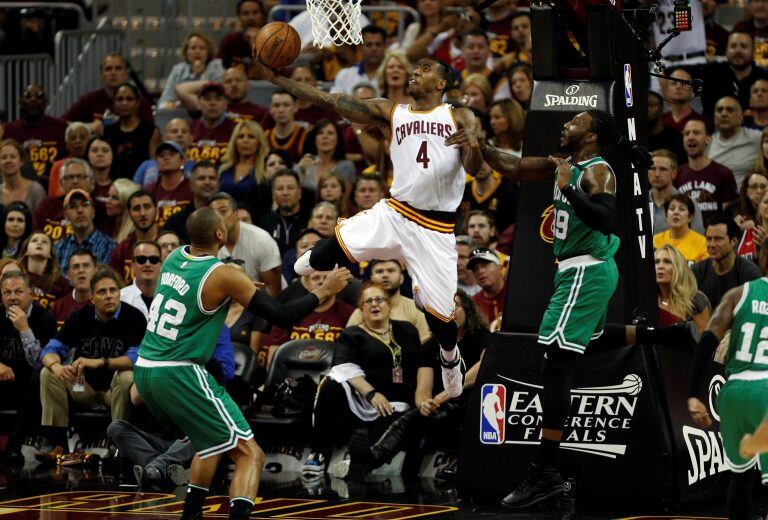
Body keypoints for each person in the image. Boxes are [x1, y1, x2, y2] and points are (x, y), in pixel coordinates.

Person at [457, 109, 647, 507]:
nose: (564, 126)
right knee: (583, 343)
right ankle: (668, 337)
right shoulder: (562, 163)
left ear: (591, 136)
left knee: (556, 365)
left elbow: (607, 219)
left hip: (586, 269)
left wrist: (571, 189)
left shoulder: (598, 170)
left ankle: (546, 471)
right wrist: (479, 143)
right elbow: (514, 165)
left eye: (574, 122)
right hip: (576, 270)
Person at [264, 56, 482, 398]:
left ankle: (450, 358)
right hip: (394, 213)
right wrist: (279, 80)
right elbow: (332, 100)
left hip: (435, 228)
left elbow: (474, 166)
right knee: (321, 253)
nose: (415, 71)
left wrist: (472, 142)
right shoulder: (390, 111)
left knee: (442, 320)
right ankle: (315, 260)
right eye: (416, 67)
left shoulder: (458, 115)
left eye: (425, 68)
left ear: (441, 83)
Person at [132, 206, 351, 520]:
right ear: (220, 234)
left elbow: (199, 289)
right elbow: (284, 316)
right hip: (180, 372)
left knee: (209, 444)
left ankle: (190, 516)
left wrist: (240, 288)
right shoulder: (224, 275)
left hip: (147, 369)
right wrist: (324, 289)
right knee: (251, 454)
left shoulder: (173, 258)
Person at [329, 290, 490, 480]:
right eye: (444, 308)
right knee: (412, 418)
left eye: (454, 306)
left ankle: (461, 462)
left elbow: (485, 365)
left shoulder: (481, 336)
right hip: (441, 407)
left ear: (468, 310)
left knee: (463, 407)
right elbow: (423, 388)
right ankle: (369, 460)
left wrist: (446, 393)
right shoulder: (431, 345)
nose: (450, 312)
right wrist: (424, 403)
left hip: (473, 404)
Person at [302, 281, 422, 475]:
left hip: (399, 401)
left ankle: (356, 460)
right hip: (364, 401)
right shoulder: (352, 334)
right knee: (331, 384)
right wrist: (372, 395)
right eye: (368, 301)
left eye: (379, 299)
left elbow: (420, 363)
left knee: (394, 417)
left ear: (388, 304)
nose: (374, 304)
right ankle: (319, 453)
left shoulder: (407, 330)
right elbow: (343, 367)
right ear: (361, 309)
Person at [685, 248, 768, 520]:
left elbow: (708, 339)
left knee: (740, 479)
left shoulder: (738, 294)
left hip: (734, 393)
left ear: (761, 261)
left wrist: (694, 394)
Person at [37, 268, 146, 463]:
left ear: (119, 293)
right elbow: (50, 349)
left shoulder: (134, 318)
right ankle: (57, 445)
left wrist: (100, 362)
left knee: (128, 376)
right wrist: (57, 367)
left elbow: (136, 358)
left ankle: (118, 448)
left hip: (114, 391)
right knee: (48, 373)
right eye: (102, 292)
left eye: (113, 290)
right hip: (83, 387)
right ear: (92, 297)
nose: (109, 296)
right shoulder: (79, 317)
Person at [0, 270, 56, 464]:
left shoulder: (45, 319)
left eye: (18, 291)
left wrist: (24, 328)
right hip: (3, 381)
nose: (12, 297)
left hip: (30, 386)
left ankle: (15, 443)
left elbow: (39, 362)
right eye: (7, 292)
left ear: (30, 294)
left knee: (38, 374)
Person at [261, 270, 355, 359]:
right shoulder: (290, 311)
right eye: (315, 278)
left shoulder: (349, 313)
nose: (322, 282)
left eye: (327, 278)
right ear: (306, 285)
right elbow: (275, 352)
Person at [209, 192, 282, 296]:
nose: (218, 218)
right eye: (213, 214)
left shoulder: (262, 240)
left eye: (223, 211)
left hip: (261, 301)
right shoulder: (209, 242)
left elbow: (273, 290)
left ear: (237, 214)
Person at [63, 53, 153, 133]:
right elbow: (61, 123)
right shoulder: (90, 99)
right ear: (101, 74)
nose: (113, 73)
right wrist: (87, 127)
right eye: (108, 69)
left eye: (118, 68)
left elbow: (152, 132)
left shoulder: (139, 102)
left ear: (125, 73)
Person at [347, 259, 431, 343]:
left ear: (401, 278)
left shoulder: (416, 308)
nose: (385, 275)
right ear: (371, 279)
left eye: (391, 270)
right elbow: (348, 346)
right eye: (379, 271)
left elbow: (424, 345)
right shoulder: (360, 313)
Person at [692, 216, 762, 308]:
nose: (712, 244)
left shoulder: (750, 273)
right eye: (709, 239)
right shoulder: (696, 271)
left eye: (718, 239)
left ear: (733, 241)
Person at [4, 84, 67, 180]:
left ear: (46, 103)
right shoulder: (10, 129)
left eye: (39, 96)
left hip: (55, 184)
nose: (33, 100)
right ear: (20, 103)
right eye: (28, 96)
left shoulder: (60, 127)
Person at [104, 83, 161, 180]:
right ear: (113, 102)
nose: (124, 103)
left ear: (138, 103)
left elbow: (153, 167)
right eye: (120, 99)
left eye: (129, 99)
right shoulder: (108, 131)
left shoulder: (150, 131)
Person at [34, 157, 96, 246]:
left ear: (89, 180)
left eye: (80, 176)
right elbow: (35, 238)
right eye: (70, 177)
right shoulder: (46, 206)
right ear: (61, 182)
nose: (75, 181)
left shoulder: (98, 207)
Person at [56, 189, 116, 271]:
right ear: (66, 216)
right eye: (73, 206)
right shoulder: (58, 248)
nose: (80, 210)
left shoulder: (109, 247)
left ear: (93, 211)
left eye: (85, 204)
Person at [160, 32, 224, 110]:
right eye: (193, 48)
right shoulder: (178, 70)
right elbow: (163, 102)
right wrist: (176, 105)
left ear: (208, 52)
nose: (197, 51)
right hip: (180, 114)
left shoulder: (217, 67)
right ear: (186, 53)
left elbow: (219, 97)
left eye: (202, 48)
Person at [707, 96, 761, 188]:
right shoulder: (706, 144)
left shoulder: (757, 138)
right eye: (719, 110)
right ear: (714, 118)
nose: (724, 114)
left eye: (730, 110)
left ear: (740, 118)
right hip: (716, 198)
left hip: (746, 199)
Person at [655, 244, 711, 333]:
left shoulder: (695, 299)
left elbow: (703, 341)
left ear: (679, 267)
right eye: (656, 262)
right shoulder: (648, 301)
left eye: (667, 262)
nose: (660, 266)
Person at [648, 150, 704, 235]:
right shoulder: (638, 201)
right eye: (652, 168)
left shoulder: (689, 203)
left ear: (674, 173)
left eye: (663, 169)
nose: (657, 174)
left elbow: (698, 239)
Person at [255, 169, 311, 255]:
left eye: (290, 188)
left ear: (300, 192)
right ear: (273, 194)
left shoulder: (311, 221)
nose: (285, 193)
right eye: (280, 188)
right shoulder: (264, 224)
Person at [110, 191, 159, 284]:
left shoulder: (169, 244)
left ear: (157, 210)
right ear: (129, 214)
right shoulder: (121, 250)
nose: (143, 213)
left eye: (147, 207)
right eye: (136, 208)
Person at [163, 161, 219, 244]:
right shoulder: (175, 222)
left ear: (219, 184)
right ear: (191, 185)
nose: (207, 182)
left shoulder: (227, 218)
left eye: (212, 178)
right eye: (201, 178)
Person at [133, 119, 196, 189]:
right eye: (174, 131)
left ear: (191, 138)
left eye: (184, 132)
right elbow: (135, 192)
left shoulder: (196, 167)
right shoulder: (146, 165)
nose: (179, 135)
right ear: (164, 138)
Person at [218, 120, 269, 203]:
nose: (245, 141)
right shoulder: (223, 169)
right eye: (241, 137)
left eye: (251, 137)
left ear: (259, 142)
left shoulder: (265, 170)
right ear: (234, 142)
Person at [146, 141, 194, 229]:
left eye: (171, 154)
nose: (166, 157)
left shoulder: (192, 188)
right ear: (156, 162)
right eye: (161, 155)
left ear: (182, 160)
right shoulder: (149, 191)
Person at [298, 118, 355, 190]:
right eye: (320, 133)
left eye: (330, 133)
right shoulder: (303, 166)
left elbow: (345, 199)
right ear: (314, 140)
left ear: (338, 140)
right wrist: (302, 174)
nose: (325, 137)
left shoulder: (346, 167)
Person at [189, 82, 238, 166]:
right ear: (199, 103)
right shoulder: (189, 129)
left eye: (218, 99)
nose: (212, 103)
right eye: (207, 99)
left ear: (226, 103)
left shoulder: (236, 130)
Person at [19, 232, 69, 311]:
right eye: (34, 241)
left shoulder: (61, 283)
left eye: (45, 242)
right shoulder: (15, 275)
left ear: (50, 254)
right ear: (26, 251)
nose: (39, 243)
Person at [653, 193, 709, 263]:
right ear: (666, 216)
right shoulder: (654, 242)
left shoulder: (702, 244)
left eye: (681, 209)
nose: (676, 212)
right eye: (672, 209)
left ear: (690, 217)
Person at [331, 25, 387, 95]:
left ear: (385, 47)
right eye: (369, 45)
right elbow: (334, 103)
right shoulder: (344, 75)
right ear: (360, 48)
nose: (374, 49)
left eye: (378, 44)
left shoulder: (392, 75)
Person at [217, 0, 265, 79]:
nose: (251, 17)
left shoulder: (273, 42)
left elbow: (269, 78)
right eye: (245, 13)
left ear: (262, 15)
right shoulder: (229, 41)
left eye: (255, 12)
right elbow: (218, 74)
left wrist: (254, 43)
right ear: (239, 17)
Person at [50, 249, 96, 329]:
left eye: (86, 265)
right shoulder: (58, 307)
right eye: (76, 267)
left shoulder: (103, 304)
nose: (81, 270)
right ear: (68, 275)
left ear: (95, 272)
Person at [47, 123, 92, 198]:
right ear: (67, 145)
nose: (78, 141)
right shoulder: (58, 166)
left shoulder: (96, 164)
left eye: (82, 137)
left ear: (90, 142)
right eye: (73, 138)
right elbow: (53, 197)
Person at [264, 91, 309, 163]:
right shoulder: (264, 137)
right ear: (270, 109)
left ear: (295, 107)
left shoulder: (306, 135)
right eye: (276, 105)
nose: (281, 110)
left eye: (286, 105)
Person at [0, 139, 46, 208]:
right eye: (4, 157)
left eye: (13, 157)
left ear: (21, 161)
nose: (8, 160)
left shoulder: (36, 191)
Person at [468, 247, 507, 324]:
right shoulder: (473, 304)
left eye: (485, 265)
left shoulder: (516, 293)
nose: (480, 271)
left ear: (500, 267)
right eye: (476, 269)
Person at [647, 91, 686, 164]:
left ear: (661, 109)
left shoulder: (677, 139)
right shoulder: (635, 138)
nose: (647, 109)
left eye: (652, 105)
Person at [86, 137, 117, 230]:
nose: (100, 154)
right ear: (87, 155)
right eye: (95, 150)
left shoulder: (120, 186)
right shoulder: (82, 187)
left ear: (113, 155)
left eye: (105, 150)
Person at [106, 178, 140, 243]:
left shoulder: (134, 234)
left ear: (126, 201)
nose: (108, 201)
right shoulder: (110, 226)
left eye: (115, 198)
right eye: (108, 196)